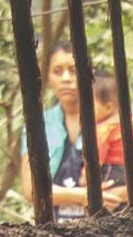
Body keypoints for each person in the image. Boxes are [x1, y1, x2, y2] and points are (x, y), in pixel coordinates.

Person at [46, 67, 133, 218]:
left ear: (108, 107)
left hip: (110, 172)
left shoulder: (103, 130)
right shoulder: (132, 120)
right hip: (131, 171)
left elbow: (96, 159)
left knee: (103, 213)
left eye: (88, 106)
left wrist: (84, 179)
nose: (83, 110)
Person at [9, 44, 86, 213]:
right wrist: (83, 196)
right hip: (53, 232)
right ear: (48, 78)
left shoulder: (111, 118)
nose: (66, 78)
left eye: (73, 70)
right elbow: (31, 189)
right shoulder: (38, 124)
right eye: (57, 72)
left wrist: (121, 193)